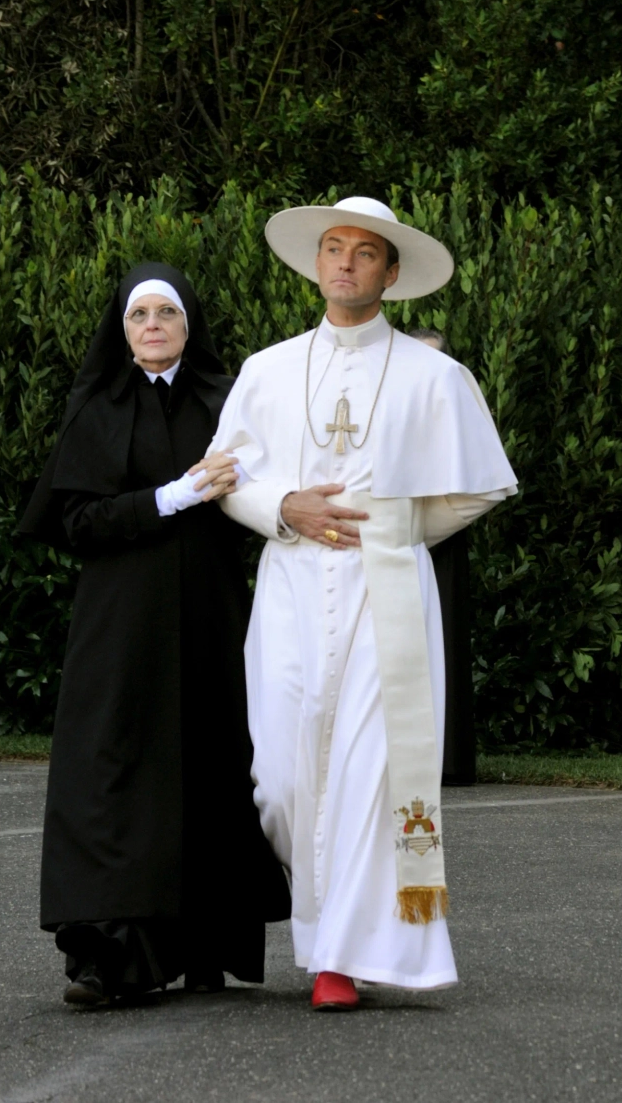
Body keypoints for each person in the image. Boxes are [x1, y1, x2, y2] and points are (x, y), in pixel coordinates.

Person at [207, 196, 516, 1010]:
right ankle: (326, 929)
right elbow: (225, 477)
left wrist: (400, 523)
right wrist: (285, 509)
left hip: (388, 595)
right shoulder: (265, 370)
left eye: (365, 252)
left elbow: (482, 485)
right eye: (333, 249)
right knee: (280, 778)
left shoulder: (436, 376)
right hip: (291, 586)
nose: (345, 263)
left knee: (371, 777)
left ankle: (339, 957)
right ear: (317, 263)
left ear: (392, 272)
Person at [18, 264, 290, 1007]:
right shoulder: (95, 406)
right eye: (139, 314)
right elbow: (75, 522)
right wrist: (167, 498)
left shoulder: (229, 401)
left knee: (212, 760)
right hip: (119, 621)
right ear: (123, 328)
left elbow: (265, 491)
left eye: (167, 312)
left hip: (211, 613)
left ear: (188, 323)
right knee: (111, 770)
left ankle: (205, 946)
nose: (153, 325)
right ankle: (106, 958)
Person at [406, 326, 479, 788]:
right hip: (395, 540)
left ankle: (449, 760)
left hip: (442, 538)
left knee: (445, 644)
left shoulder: (452, 405)